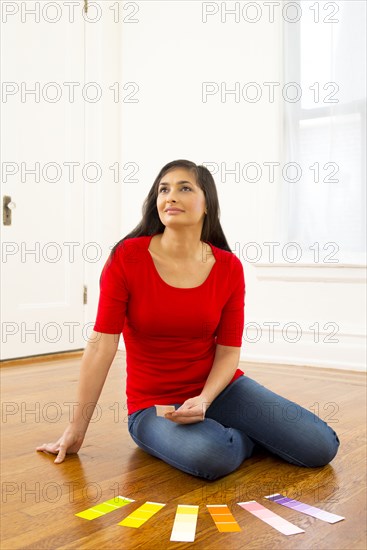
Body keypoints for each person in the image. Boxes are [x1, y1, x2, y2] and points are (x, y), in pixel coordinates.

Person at [37, 159, 340, 480]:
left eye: (184, 188)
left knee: (319, 446)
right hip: (154, 406)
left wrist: (206, 399)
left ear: (207, 203)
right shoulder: (128, 257)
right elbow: (101, 346)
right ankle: (245, 436)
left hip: (219, 391)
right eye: (163, 189)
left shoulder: (228, 267)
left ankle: (230, 426)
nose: (171, 196)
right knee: (211, 454)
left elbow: (227, 350)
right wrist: (76, 429)